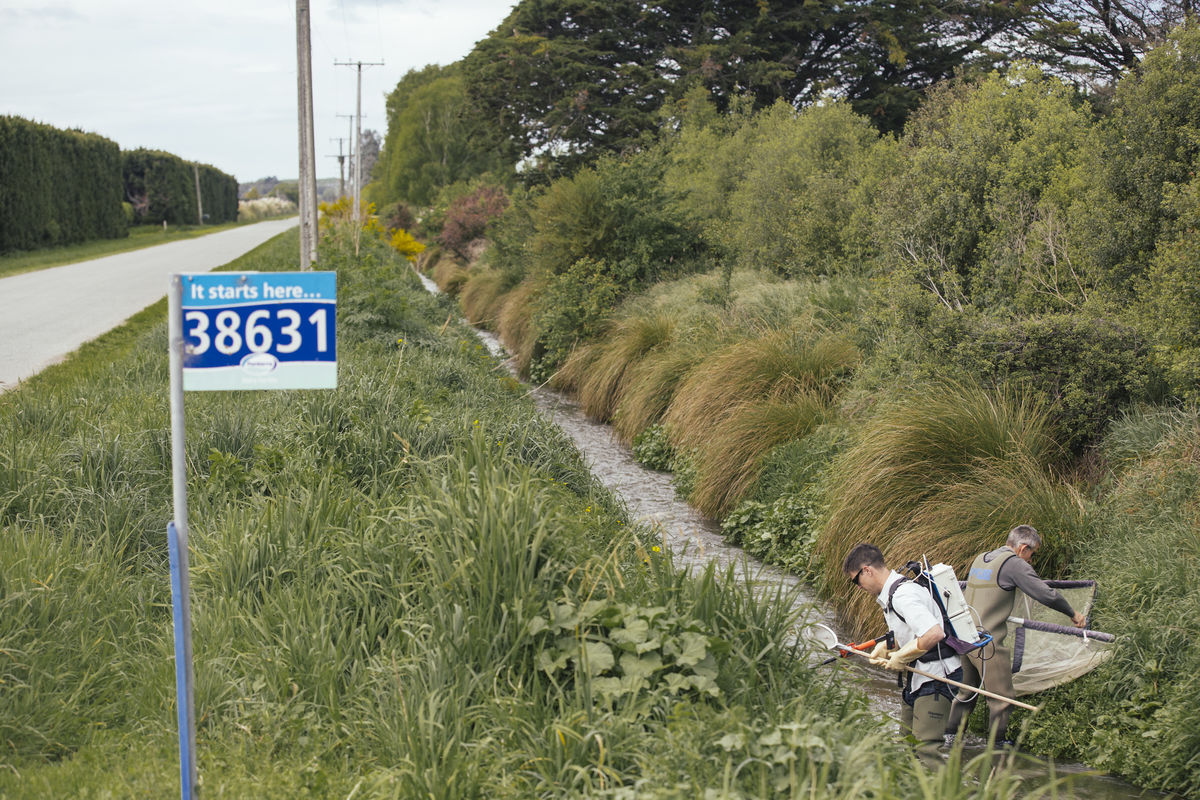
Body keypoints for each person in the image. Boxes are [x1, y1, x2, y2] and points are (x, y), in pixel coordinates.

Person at [945, 524, 1087, 745]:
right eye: (1032, 554)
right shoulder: (1013, 564)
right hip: (987, 643)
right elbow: (1044, 593)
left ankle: (949, 738)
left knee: (966, 694)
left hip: (965, 638)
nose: (1031, 560)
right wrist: (1072, 612)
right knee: (1002, 699)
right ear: (1022, 548)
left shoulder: (982, 558)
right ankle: (997, 747)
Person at [843, 542, 963, 751]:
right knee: (906, 746)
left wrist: (901, 657)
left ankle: (948, 784)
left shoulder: (902, 595)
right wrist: (889, 646)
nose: (859, 587)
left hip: (937, 677)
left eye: (856, 581)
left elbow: (934, 633)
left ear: (867, 571)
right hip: (918, 678)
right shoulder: (891, 594)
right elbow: (911, 630)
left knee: (927, 750)